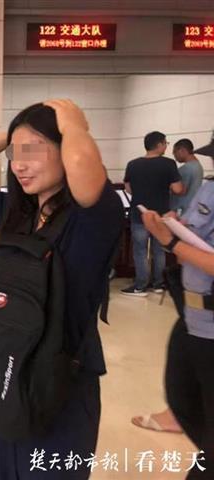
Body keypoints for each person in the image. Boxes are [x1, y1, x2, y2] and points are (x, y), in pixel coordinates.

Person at [0, 99, 123, 480]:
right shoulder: (16, 213)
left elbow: (86, 178)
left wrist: (73, 124)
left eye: (33, 151)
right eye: (15, 154)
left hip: (60, 382)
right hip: (5, 372)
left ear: (65, 149)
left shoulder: (91, 219)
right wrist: (10, 134)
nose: (19, 164)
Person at [138, 137, 214, 479]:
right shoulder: (209, 187)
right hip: (192, 317)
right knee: (181, 395)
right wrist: (173, 225)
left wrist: (170, 241)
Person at [121, 131, 182, 297]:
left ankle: (140, 286)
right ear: (159, 144)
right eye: (166, 143)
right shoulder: (168, 164)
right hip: (161, 215)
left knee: (140, 251)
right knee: (159, 250)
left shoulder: (132, 164)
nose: (166, 147)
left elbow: (128, 189)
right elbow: (177, 189)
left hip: (139, 214)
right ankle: (158, 284)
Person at [170, 138, 204, 216]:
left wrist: (169, 185)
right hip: (191, 210)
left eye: (175, 152)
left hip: (181, 211)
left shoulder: (186, 168)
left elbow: (180, 190)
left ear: (183, 150)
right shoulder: (198, 166)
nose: (174, 155)